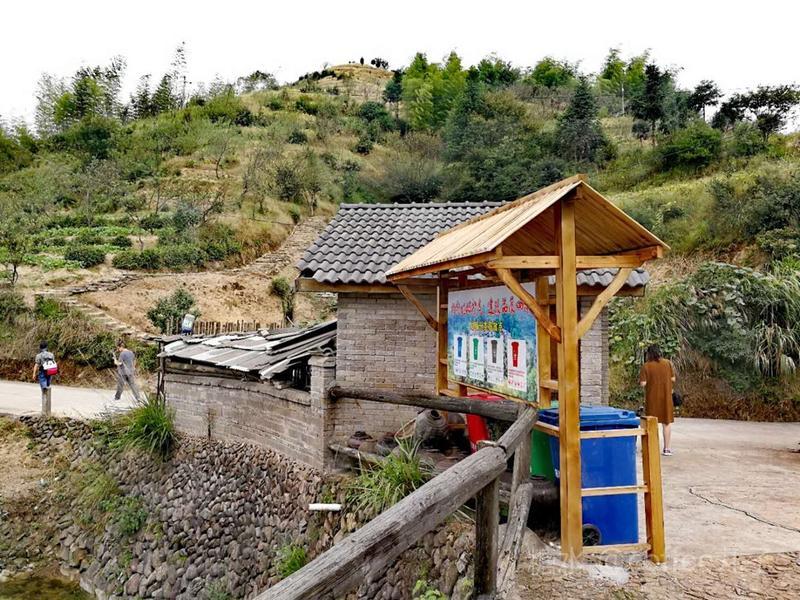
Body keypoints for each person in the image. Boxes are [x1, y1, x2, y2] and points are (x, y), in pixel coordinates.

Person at [639, 344, 676, 456]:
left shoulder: (646, 366)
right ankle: (667, 449)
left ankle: (651, 448)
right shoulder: (668, 363)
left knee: (651, 423)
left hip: (652, 399)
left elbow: (643, 383)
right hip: (666, 398)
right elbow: (673, 379)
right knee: (667, 423)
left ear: (649, 354)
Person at [33, 341, 56, 416]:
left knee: (44, 389)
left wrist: (34, 374)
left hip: (42, 372)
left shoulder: (39, 355)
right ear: (46, 347)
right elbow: (53, 363)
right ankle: (48, 409)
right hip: (49, 371)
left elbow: (36, 365)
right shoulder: (51, 354)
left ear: (40, 348)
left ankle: (44, 409)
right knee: (48, 388)